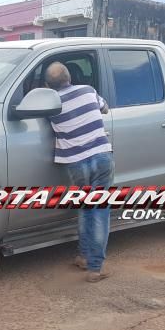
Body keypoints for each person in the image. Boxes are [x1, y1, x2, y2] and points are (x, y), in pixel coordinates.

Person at [44, 62, 113, 283]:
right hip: (102, 157)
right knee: (99, 211)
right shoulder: (88, 90)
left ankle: (85, 258)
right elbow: (105, 108)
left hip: (76, 163)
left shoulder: (50, 103)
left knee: (85, 208)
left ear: (48, 85)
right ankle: (95, 268)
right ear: (69, 78)